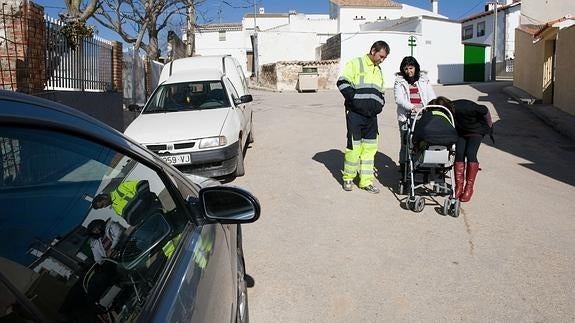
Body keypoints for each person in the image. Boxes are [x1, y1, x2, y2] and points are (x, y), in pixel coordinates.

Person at [336, 40, 390, 194]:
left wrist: (379, 105)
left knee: (370, 150)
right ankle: (348, 178)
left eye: (384, 58)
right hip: (356, 115)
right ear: (373, 51)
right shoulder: (356, 63)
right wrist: (355, 100)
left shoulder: (378, 70)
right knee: (354, 148)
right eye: (381, 56)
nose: (382, 60)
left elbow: (382, 92)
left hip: (372, 117)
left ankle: (366, 182)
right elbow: (342, 82)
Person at [428, 96, 493, 202]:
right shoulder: (448, 112)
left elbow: (484, 109)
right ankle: (459, 187)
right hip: (461, 131)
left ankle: (469, 188)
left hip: (476, 130)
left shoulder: (464, 106)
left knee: (470, 153)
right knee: (459, 154)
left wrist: (489, 126)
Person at [393, 56, 436, 173]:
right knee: (406, 142)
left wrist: (431, 106)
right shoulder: (399, 81)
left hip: (423, 115)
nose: (409, 71)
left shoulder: (423, 79)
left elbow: (431, 95)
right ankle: (404, 166)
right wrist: (412, 107)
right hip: (407, 116)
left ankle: (419, 164)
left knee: (421, 141)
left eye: (411, 68)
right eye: (406, 69)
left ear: (416, 67)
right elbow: (399, 99)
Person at [92, 179, 159, 224]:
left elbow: (143, 184)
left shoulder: (122, 187)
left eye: (102, 205)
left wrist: (143, 201)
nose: (104, 207)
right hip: (146, 221)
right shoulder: (115, 208)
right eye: (102, 207)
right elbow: (130, 219)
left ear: (104, 197)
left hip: (155, 210)